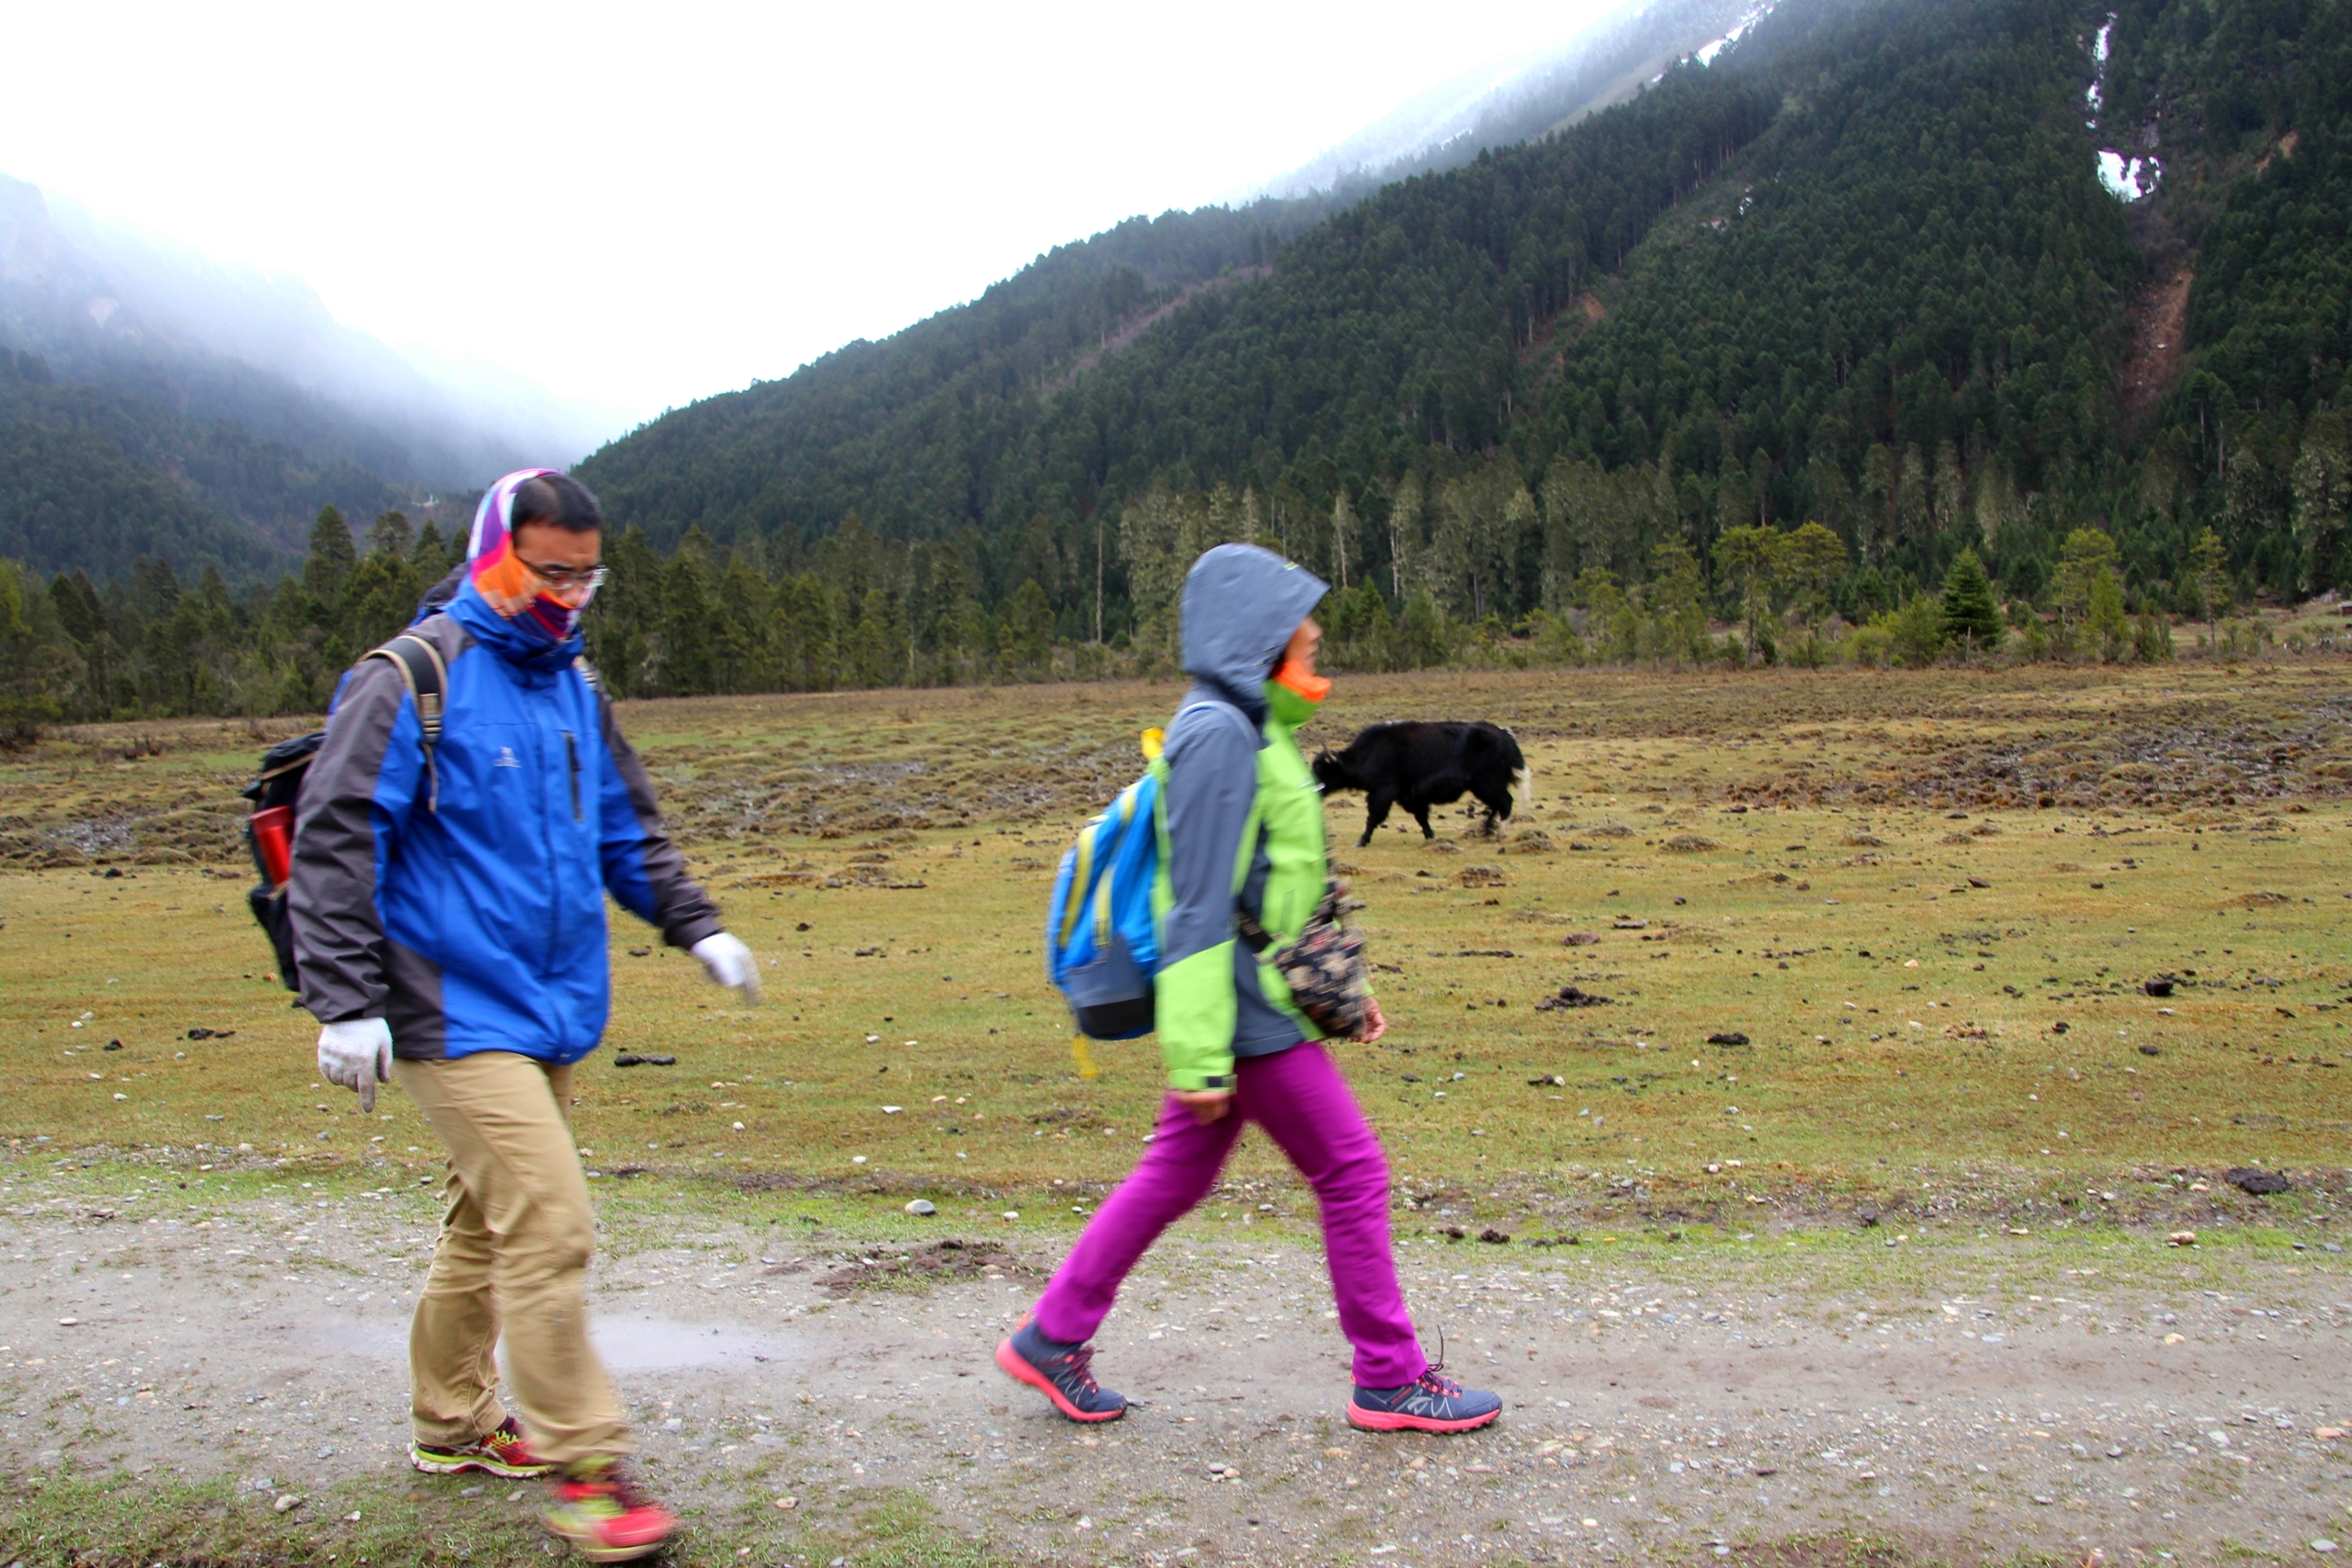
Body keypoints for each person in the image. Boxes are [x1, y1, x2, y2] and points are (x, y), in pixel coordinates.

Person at [289, 468, 761, 1563]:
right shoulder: (409, 678)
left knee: (482, 1226)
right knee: (550, 1225)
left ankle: (451, 1424)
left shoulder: (571, 689)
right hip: (442, 1010)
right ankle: (590, 1472)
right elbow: (338, 834)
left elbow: (624, 833)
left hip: (544, 1010)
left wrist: (696, 925)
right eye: (549, 572)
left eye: (587, 578)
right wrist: (345, 1002)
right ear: (490, 551)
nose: (568, 596)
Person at [996, 543, 1501, 1434]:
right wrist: (1196, 1053)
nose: (1323, 669)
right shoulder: (1219, 736)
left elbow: (1279, 879)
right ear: (1257, 649)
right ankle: (1388, 1377)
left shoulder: (1254, 729)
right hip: (1237, 1012)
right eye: (1310, 652)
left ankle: (1051, 1336)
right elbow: (1195, 903)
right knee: (1352, 1170)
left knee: (1173, 1177)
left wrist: (1346, 990)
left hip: (1253, 999)